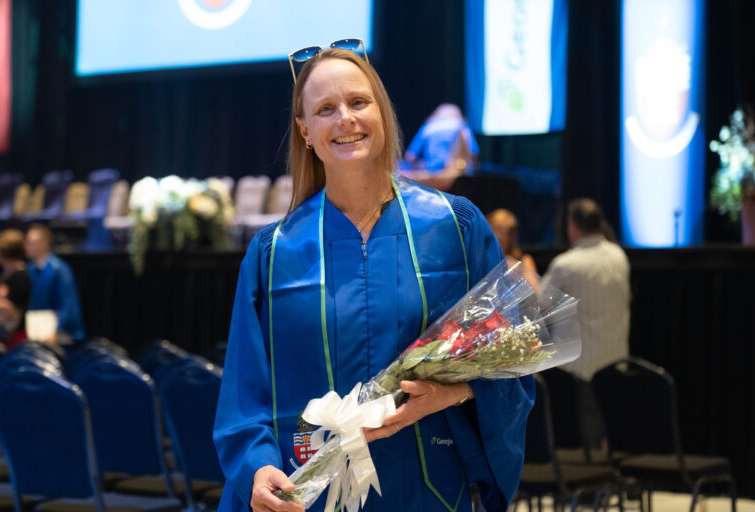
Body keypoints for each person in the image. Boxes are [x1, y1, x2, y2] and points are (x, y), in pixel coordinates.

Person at [214, 44, 534, 512]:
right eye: (325, 109)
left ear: (382, 112)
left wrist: (454, 392)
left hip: (429, 491)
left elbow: (513, 360)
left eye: (358, 102)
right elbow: (246, 392)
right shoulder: (274, 251)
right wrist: (258, 467)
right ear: (305, 131)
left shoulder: (455, 226)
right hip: (311, 494)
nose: (345, 118)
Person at [539, 198, 630, 447]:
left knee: (587, 427)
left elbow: (540, 303)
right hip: (615, 356)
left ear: (572, 226)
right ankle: (609, 474)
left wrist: (526, 271)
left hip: (583, 362)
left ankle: (593, 477)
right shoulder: (619, 255)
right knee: (612, 423)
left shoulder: (567, 263)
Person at [24, 223, 86, 343]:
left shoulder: (59, 269)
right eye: (27, 242)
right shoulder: (29, 269)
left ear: (45, 243)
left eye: (33, 242)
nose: (28, 246)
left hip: (60, 333)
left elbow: (68, 305)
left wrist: (56, 331)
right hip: (35, 331)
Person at [0, 229, 32, 351]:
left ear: (2, 251)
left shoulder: (20, 276)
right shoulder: (3, 275)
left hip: (13, 338)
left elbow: (12, 309)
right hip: (0, 335)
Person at [487, 208, 540, 292]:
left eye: (503, 232)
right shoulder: (482, 258)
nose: (499, 236)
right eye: (495, 230)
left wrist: (519, 273)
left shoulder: (523, 259)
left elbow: (536, 293)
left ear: (511, 236)